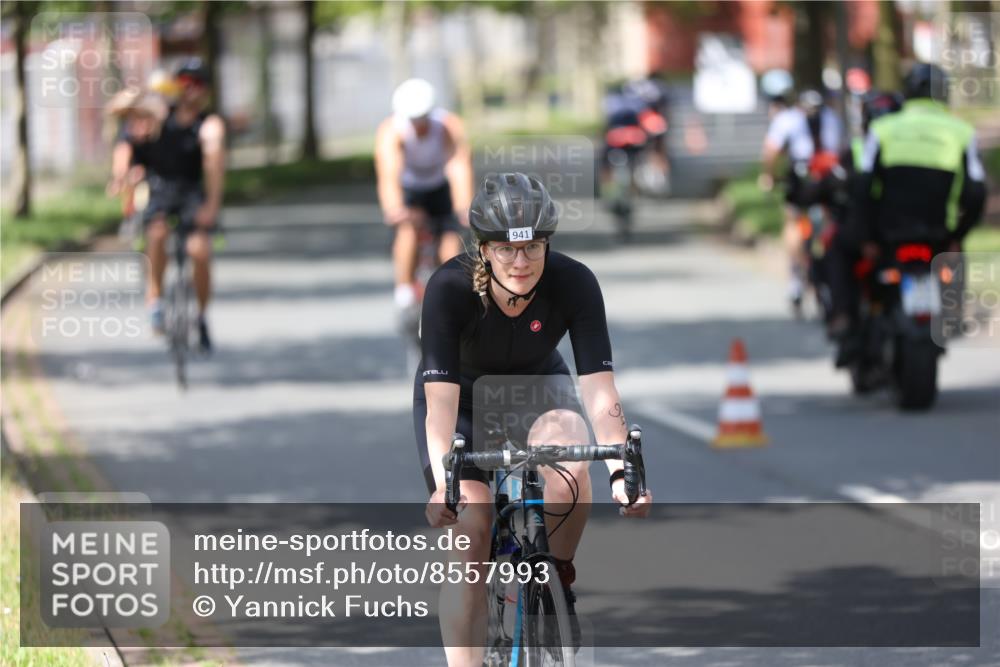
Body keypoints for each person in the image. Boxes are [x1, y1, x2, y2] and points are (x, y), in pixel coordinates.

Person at [415, 172, 653, 667]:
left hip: (539, 390)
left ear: (547, 244)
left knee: (570, 466)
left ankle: (557, 578)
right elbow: (438, 409)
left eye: (533, 248)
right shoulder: (448, 289)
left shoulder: (574, 281)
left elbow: (600, 391)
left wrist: (619, 474)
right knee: (470, 534)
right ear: (483, 249)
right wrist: (445, 486)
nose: (520, 262)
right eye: (505, 249)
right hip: (463, 405)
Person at [832, 63, 987, 363]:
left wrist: (865, 237)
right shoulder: (962, 132)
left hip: (887, 233)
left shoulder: (882, 129)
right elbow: (977, 192)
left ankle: (845, 321)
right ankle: (952, 315)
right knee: (956, 258)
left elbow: (863, 188)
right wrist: (957, 235)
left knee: (839, 249)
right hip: (938, 234)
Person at [109, 58, 225, 351]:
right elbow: (120, 113)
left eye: (197, 84)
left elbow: (213, 162)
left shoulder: (208, 124)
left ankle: (200, 315)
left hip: (191, 193)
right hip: (160, 189)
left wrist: (211, 205)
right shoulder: (159, 113)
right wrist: (143, 96)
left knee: (199, 251)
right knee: (157, 234)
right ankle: (155, 300)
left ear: (206, 91)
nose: (190, 90)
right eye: (184, 82)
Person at [375, 78, 474, 329]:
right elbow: (389, 173)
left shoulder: (448, 126)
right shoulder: (392, 131)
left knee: (450, 243)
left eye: (423, 118)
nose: (418, 125)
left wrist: (464, 207)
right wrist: (394, 208)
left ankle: (454, 293)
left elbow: (459, 166)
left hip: (439, 187)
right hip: (410, 190)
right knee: (407, 231)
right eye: (413, 119)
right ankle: (405, 291)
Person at [759, 87, 844, 314]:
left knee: (793, 222)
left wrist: (768, 176)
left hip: (801, 178)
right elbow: (840, 150)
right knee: (828, 222)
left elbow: (771, 151)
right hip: (828, 178)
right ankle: (826, 272)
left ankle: (795, 280)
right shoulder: (832, 118)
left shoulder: (787, 119)